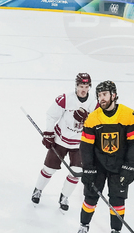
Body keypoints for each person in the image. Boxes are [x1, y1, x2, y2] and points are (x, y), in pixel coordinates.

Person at [76, 80, 134, 233]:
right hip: (98, 165)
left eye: (104, 94)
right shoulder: (93, 117)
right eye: (99, 95)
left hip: (119, 166)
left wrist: (130, 166)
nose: (101, 98)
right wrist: (88, 167)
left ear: (113, 95)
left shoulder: (128, 115)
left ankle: (115, 232)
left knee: (117, 200)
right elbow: (86, 146)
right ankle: (84, 225)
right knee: (90, 197)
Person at [31, 72, 93, 211]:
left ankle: (64, 196)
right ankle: (38, 189)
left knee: (77, 172)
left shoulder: (94, 103)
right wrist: (48, 133)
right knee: (49, 168)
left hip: (79, 143)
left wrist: (87, 119)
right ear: (76, 86)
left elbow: (98, 123)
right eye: (81, 86)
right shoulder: (65, 99)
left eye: (86, 86)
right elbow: (51, 115)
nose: (83, 89)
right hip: (60, 140)